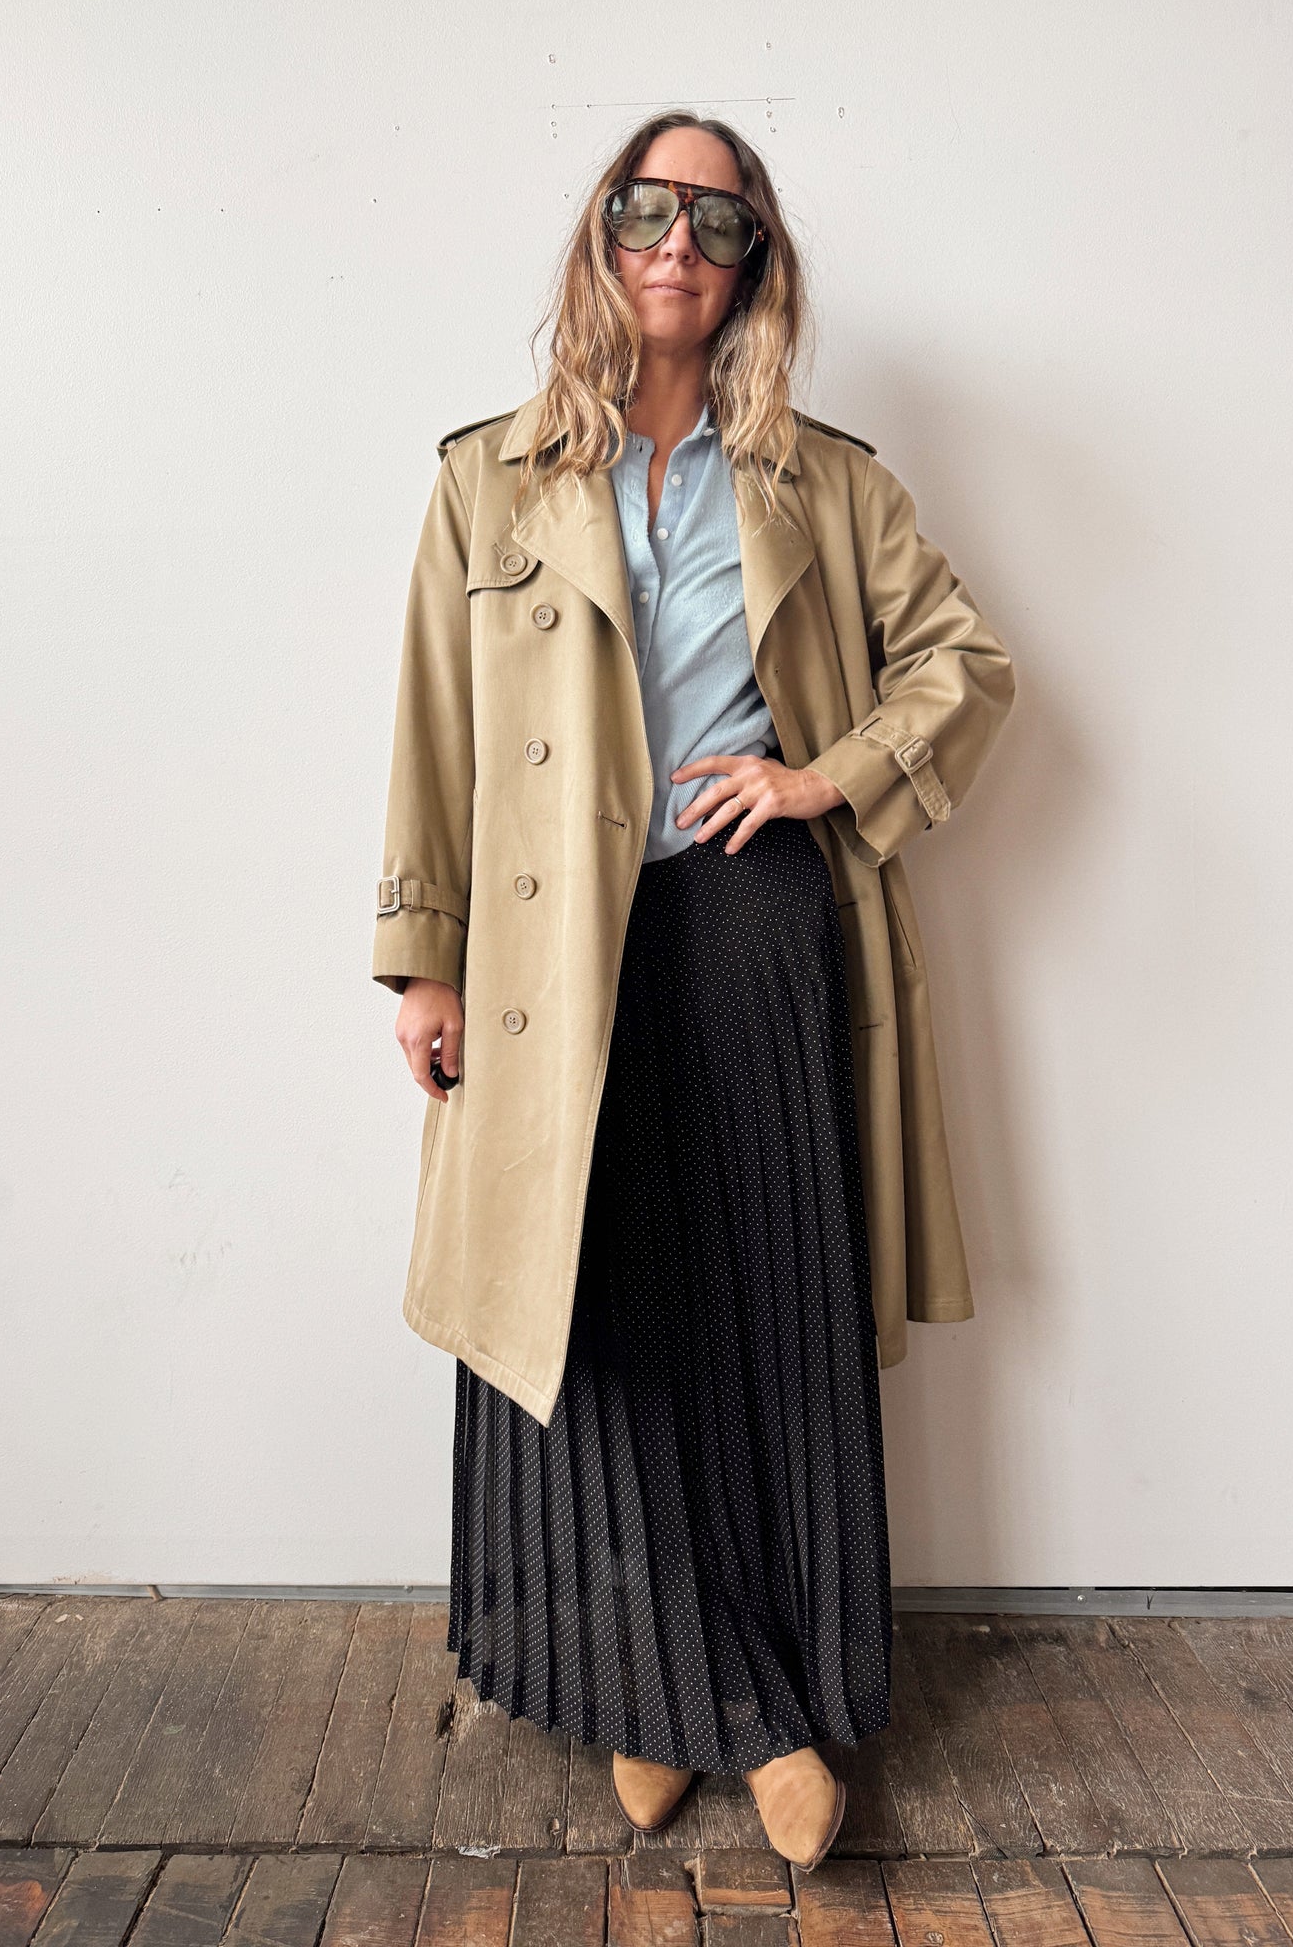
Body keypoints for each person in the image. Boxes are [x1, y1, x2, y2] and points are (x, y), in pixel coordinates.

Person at [372, 108, 1016, 1871]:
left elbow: (966, 662)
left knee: (767, 1307)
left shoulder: (827, 478)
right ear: (600, 235)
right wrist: (419, 954)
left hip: (746, 919)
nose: (677, 240)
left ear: (753, 265)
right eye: (644, 208)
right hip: (543, 960)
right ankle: (685, 1703)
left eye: (716, 221)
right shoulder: (486, 475)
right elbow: (434, 731)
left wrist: (829, 779)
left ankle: (748, 1692)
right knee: (595, 1314)